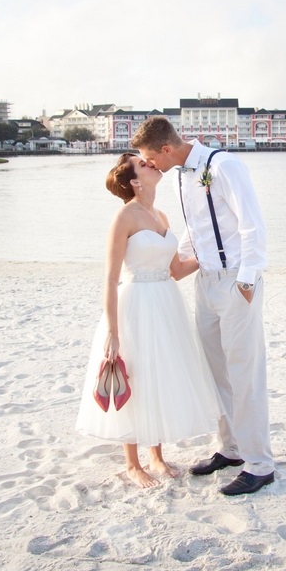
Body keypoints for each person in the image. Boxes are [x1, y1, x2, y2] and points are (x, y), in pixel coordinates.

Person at [132, 117, 274, 496]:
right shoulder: (180, 175)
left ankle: (260, 464)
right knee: (218, 372)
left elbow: (252, 225)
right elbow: (196, 228)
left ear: (165, 149)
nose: (149, 166)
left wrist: (246, 281)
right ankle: (231, 449)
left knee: (245, 372)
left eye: (149, 157)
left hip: (236, 282)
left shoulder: (225, 166)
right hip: (205, 282)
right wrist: (171, 265)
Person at [75, 151, 222, 489]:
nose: (150, 162)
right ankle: (132, 463)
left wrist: (210, 249)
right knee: (137, 374)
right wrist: (112, 330)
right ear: (135, 182)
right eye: (141, 164)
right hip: (135, 303)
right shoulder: (124, 217)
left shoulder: (161, 216)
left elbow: (175, 270)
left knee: (159, 373)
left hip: (166, 302)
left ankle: (156, 455)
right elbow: (111, 278)